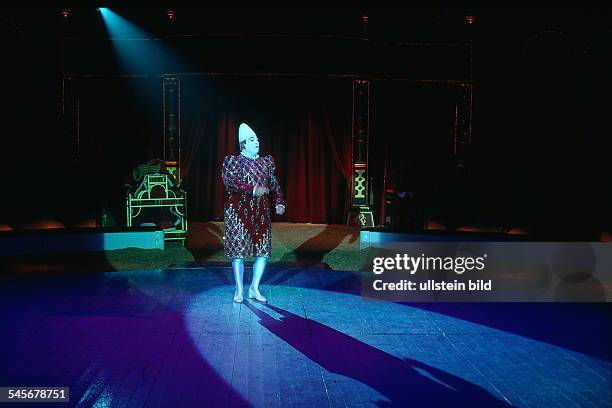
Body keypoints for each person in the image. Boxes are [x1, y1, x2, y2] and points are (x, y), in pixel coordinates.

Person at [221, 123, 285, 303]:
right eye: (251, 140)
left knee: (263, 252)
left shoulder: (266, 162)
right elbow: (230, 182)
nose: (256, 142)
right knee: (238, 253)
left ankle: (254, 288)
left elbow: (274, 184)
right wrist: (253, 189)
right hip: (238, 214)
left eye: (256, 139)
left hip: (261, 214)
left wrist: (279, 202)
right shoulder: (233, 161)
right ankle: (239, 290)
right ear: (243, 144)